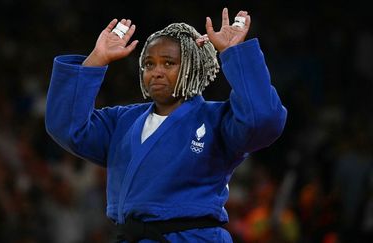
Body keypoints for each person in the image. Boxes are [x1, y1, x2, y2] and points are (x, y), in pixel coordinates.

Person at [45, 6, 287, 243]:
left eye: (168, 63)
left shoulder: (215, 119)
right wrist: (96, 59)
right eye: (149, 64)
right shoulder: (122, 121)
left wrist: (235, 53)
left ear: (192, 65)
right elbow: (65, 127)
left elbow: (263, 120)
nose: (156, 72)